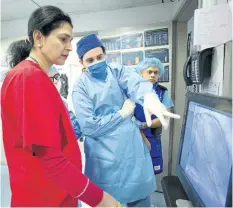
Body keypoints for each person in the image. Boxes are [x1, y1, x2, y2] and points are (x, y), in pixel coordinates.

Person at [1, 6, 118, 207]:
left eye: (70, 40)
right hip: (45, 199)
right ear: (38, 38)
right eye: (63, 39)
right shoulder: (28, 77)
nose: (70, 47)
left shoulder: (36, 77)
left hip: (56, 194)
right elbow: (51, 160)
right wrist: (100, 199)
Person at [72, 34, 180, 206]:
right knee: (110, 202)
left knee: (140, 199)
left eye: (100, 57)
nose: (96, 62)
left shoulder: (116, 71)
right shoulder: (80, 89)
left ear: (105, 54)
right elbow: (89, 127)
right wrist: (121, 114)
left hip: (132, 152)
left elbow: (135, 83)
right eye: (90, 60)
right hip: (104, 161)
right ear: (81, 63)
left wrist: (149, 96)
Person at [135, 58, 174, 175]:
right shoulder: (132, 91)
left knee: (151, 172)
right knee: (135, 172)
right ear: (141, 72)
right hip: (134, 137)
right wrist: (139, 131)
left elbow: (164, 118)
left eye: (156, 73)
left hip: (152, 137)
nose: (153, 75)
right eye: (149, 72)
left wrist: (143, 125)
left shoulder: (162, 93)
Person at [48, 66, 83, 140]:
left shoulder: (62, 101)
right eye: (50, 79)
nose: (55, 81)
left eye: (57, 77)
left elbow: (75, 131)